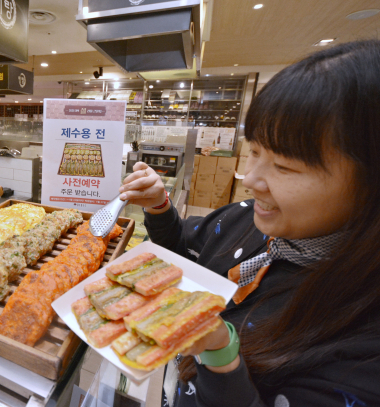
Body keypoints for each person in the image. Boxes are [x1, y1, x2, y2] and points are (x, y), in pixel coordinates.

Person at [118, 40, 380, 407]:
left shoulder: (363, 344)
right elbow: (185, 262)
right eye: (255, 151)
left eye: (285, 166)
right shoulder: (247, 217)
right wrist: (160, 208)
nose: (249, 179)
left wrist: (220, 355)